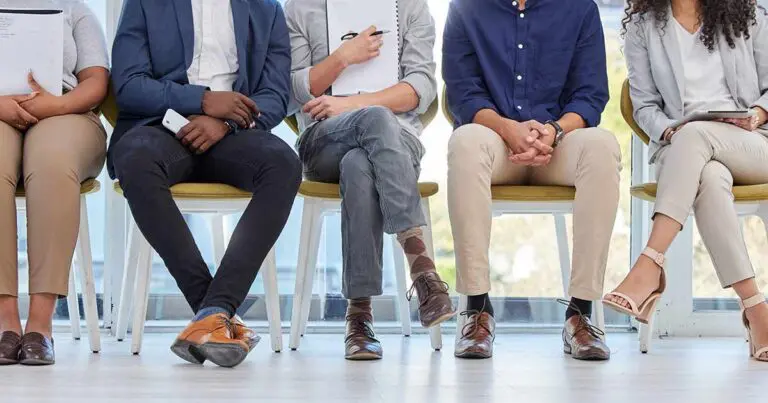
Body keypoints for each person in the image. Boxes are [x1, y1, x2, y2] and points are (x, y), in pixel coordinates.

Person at [109, 0, 300, 368]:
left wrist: (225, 122)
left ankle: (213, 314)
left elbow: (275, 95)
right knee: (133, 155)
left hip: (234, 133)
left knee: (284, 164)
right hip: (162, 126)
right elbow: (130, 84)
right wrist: (202, 100)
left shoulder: (266, 9)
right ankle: (214, 310)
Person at [444, 0, 621, 360]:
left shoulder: (579, 9)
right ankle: (476, 310)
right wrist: (508, 129)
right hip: (495, 139)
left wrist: (554, 131)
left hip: (558, 142)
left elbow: (590, 94)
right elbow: (464, 93)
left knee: (602, 147)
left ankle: (581, 313)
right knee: (465, 142)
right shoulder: (466, 8)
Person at [285, 0, 454, 361]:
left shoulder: (409, 6)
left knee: (360, 164)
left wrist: (355, 103)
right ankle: (421, 266)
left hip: (396, 137)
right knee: (371, 125)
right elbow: (289, 92)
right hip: (323, 139)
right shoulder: (301, 6)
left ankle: (359, 317)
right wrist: (341, 58)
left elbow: (421, 86)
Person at [606, 0, 768, 362]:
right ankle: (756, 309)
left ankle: (649, 264)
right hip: (683, 148)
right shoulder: (643, 26)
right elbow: (644, 105)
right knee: (708, 177)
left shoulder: (750, 14)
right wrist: (669, 130)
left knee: (695, 136)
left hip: (754, 144)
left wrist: (756, 115)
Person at [0, 0, 109, 366]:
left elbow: (96, 81)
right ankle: (5, 323)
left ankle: (40, 325)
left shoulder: (72, 8)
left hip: (67, 110)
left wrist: (55, 106)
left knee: (51, 163)